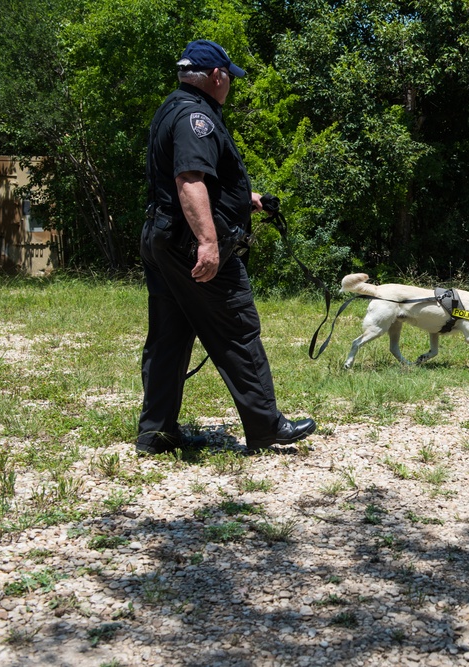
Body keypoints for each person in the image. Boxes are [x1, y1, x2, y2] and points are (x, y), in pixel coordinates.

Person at [137, 39, 315, 455]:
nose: (230, 84)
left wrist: (246, 200)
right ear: (216, 76)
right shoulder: (197, 118)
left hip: (162, 239)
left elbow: (190, 180)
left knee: (169, 336)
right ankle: (266, 425)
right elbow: (190, 180)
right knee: (237, 328)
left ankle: (156, 433)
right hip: (188, 246)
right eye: (229, 77)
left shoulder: (172, 107)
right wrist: (208, 244)